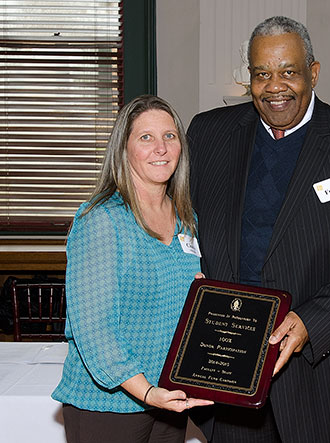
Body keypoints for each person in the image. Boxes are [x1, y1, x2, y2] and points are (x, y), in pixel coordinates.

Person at [187, 15, 330, 443]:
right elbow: (178, 227)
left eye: (288, 71)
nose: (275, 86)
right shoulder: (207, 134)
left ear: (314, 73)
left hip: (324, 383)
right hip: (226, 378)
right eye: (261, 74)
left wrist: (310, 321)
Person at [52, 95, 213, 443]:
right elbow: (94, 329)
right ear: (123, 150)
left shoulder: (187, 219)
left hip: (167, 397)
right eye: (146, 138)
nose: (161, 148)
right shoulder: (103, 219)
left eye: (170, 136)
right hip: (108, 403)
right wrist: (145, 390)